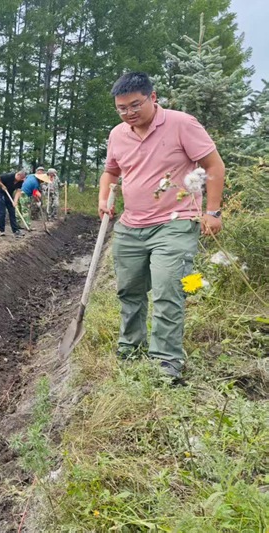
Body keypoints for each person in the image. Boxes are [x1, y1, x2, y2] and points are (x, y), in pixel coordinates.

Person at [99, 72, 224, 380]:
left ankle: (166, 362)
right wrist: (104, 199)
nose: (128, 113)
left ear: (152, 98)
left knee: (169, 289)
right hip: (131, 226)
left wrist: (214, 212)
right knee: (129, 290)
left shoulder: (182, 124)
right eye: (121, 108)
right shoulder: (117, 134)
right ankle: (130, 348)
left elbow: (214, 166)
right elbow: (110, 173)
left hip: (175, 223)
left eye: (135, 105)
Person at [0, 170, 26, 237]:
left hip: (9, 195)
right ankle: (1, 230)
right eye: (21, 178)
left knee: (12, 212)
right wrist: (2, 185)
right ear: (18, 175)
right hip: (1, 194)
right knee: (2, 213)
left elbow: (18, 191)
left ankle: (15, 231)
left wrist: (15, 201)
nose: (22, 180)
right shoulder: (9, 176)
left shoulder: (21, 181)